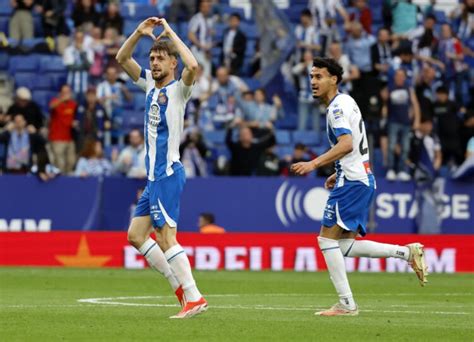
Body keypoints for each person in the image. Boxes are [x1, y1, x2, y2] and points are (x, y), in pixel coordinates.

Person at [291, 57, 428, 316]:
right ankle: (406, 252)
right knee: (343, 246)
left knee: (325, 239)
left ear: (334, 79)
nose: (313, 82)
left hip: (353, 182)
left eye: (319, 76)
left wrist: (313, 164)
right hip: (359, 177)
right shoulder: (346, 101)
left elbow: (346, 144)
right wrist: (337, 170)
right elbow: (354, 147)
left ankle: (346, 304)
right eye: (311, 76)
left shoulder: (337, 109)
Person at [116, 16, 207, 319]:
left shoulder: (181, 90)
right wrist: (140, 33)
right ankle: (178, 288)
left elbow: (194, 67)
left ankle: (194, 296)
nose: (154, 63)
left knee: (167, 237)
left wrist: (170, 33)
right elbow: (122, 57)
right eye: (152, 58)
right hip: (153, 178)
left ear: (172, 65)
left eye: (160, 59)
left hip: (168, 173)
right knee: (136, 235)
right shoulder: (148, 86)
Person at [48, 84, 78, 174]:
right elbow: (51, 107)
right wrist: (61, 100)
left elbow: (76, 117)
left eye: (68, 92)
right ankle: (59, 183)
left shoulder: (73, 104)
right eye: (64, 92)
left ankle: (68, 183)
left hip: (69, 138)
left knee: (71, 161)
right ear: (60, 93)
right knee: (59, 164)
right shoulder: (55, 102)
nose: (66, 94)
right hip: (57, 138)